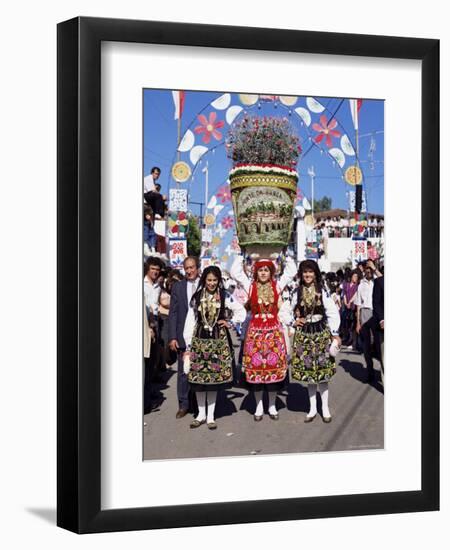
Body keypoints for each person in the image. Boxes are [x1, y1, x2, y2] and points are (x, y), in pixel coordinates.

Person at [231, 255, 296, 421]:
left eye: (266, 270)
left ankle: (272, 406)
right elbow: (235, 272)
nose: (263, 273)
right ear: (256, 272)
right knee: (257, 373)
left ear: (271, 272)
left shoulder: (277, 285)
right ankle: (259, 406)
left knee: (272, 372)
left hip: (273, 333)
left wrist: (283, 255)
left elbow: (291, 271)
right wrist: (243, 256)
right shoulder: (251, 286)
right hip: (256, 334)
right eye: (260, 270)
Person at [182, 266, 246, 429]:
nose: (211, 283)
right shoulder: (197, 297)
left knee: (213, 381)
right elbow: (190, 321)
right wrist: (188, 344)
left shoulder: (225, 295)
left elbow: (241, 311)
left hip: (219, 340)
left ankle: (210, 416)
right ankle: (200, 415)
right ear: (204, 280)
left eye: (214, 280)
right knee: (199, 381)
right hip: (199, 340)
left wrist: (229, 322)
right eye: (209, 280)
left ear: (219, 281)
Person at [290, 260, 341, 423]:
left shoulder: (322, 290)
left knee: (323, 374)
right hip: (304, 335)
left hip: (320, 334)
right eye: (305, 272)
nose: (308, 275)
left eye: (311, 272)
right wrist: (293, 321)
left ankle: (324, 408)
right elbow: (287, 310)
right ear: (301, 274)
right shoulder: (296, 291)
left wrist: (334, 333)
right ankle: (312, 409)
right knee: (310, 375)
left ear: (315, 273)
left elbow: (332, 312)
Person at [168, 256, 201, 418]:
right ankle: (183, 404)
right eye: (186, 268)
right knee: (183, 372)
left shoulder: (205, 284)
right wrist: (173, 336)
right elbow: (172, 313)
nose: (189, 271)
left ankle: (198, 404)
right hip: (182, 336)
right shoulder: (178, 287)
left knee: (199, 370)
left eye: (192, 267)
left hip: (202, 336)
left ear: (197, 267)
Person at [355, 264, 375, 382]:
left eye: (370, 270)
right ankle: (370, 372)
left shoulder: (377, 282)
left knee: (377, 344)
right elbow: (358, 304)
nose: (368, 273)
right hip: (364, 313)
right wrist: (358, 322)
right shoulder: (361, 285)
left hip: (376, 313)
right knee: (366, 345)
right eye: (367, 271)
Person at [341, 269, 360, 348]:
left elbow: (355, 295)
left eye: (357, 276)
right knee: (347, 324)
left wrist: (350, 302)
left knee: (353, 324)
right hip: (347, 307)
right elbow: (344, 294)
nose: (355, 278)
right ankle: (348, 339)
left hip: (353, 306)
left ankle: (353, 342)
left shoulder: (357, 286)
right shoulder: (346, 284)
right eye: (354, 276)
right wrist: (346, 303)